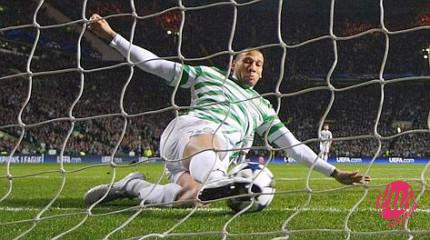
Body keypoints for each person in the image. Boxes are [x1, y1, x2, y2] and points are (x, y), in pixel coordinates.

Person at [84, 14, 371, 207]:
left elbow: (293, 147)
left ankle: (133, 186)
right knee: (213, 142)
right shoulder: (207, 74)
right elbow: (156, 65)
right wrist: (112, 37)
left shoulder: (262, 108)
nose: (253, 67)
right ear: (234, 62)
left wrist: (334, 172)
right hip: (190, 133)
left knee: (188, 198)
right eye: (248, 61)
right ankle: (225, 181)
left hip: (201, 159)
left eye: (259, 64)